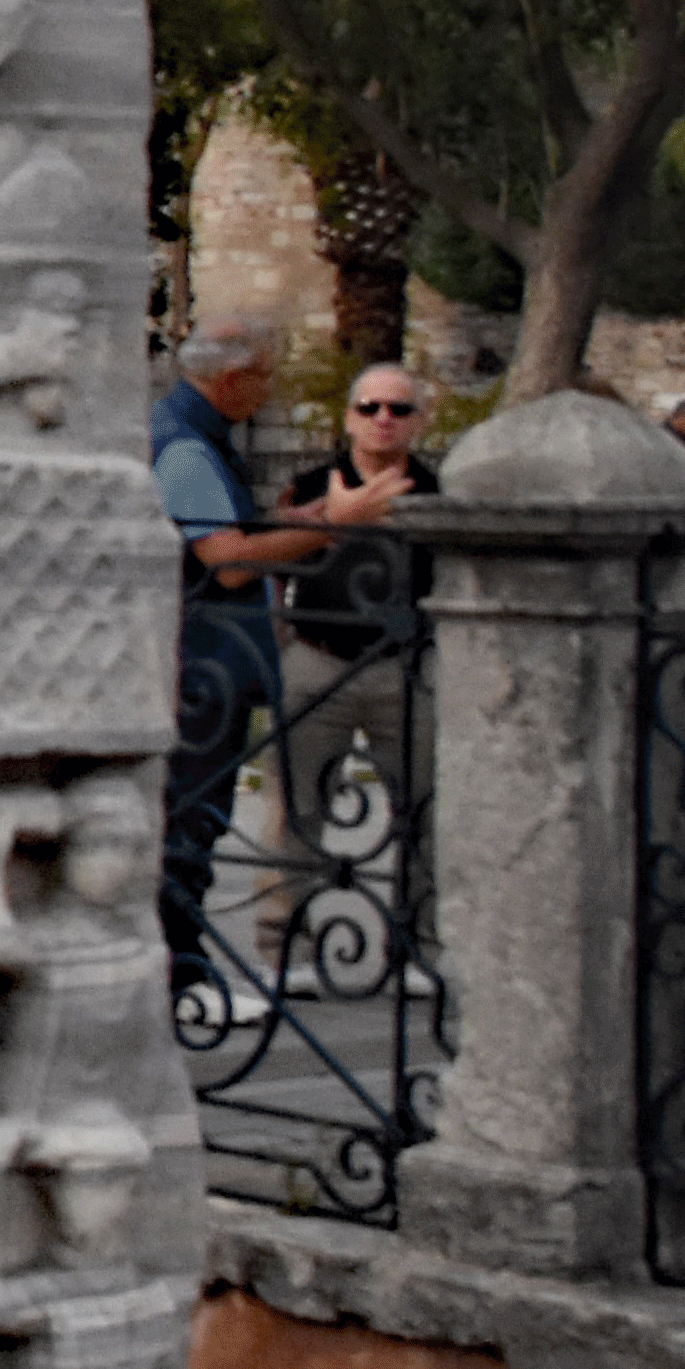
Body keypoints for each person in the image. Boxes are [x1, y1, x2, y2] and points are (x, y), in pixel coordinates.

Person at [154, 319, 402, 965]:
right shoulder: (185, 448)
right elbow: (228, 560)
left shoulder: (199, 437)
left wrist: (306, 517)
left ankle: (184, 971)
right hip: (205, 669)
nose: (269, 392)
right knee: (188, 826)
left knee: (195, 822)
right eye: (266, 377)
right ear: (232, 378)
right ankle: (181, 975)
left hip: (213, 667)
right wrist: (334, 527)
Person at [260, 364, 445, 981]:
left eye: (397, 409)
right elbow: (269, 559)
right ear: (349, 419)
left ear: (418, 421)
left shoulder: (439, 496)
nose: (383, 419)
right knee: (296, 812)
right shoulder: (314, 487)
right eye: (369, 408)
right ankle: (288, 947)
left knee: (427, 813)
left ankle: (421, 946)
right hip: (317, 660)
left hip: (406, 668)